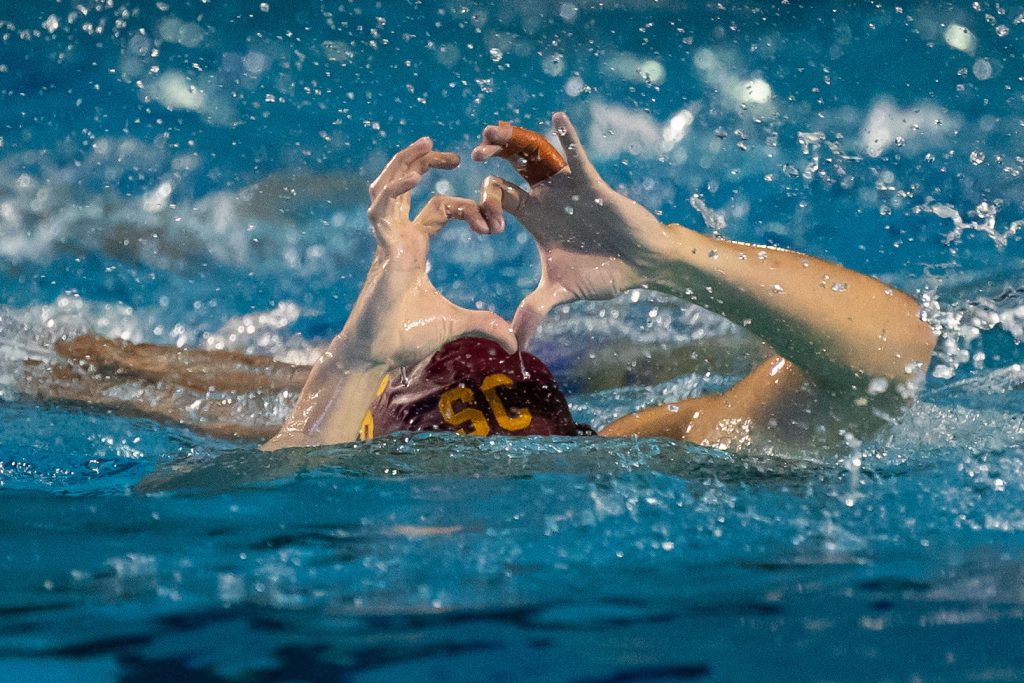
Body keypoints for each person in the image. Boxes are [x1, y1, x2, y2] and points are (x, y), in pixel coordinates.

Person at [28, 113, 937, 456]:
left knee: (109, 375)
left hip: (379, 413)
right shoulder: (632, 453)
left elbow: (245, 498)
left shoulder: (626, 445)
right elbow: (897, 352)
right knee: (117, 373)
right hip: (529, 399)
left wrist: (352, 366)